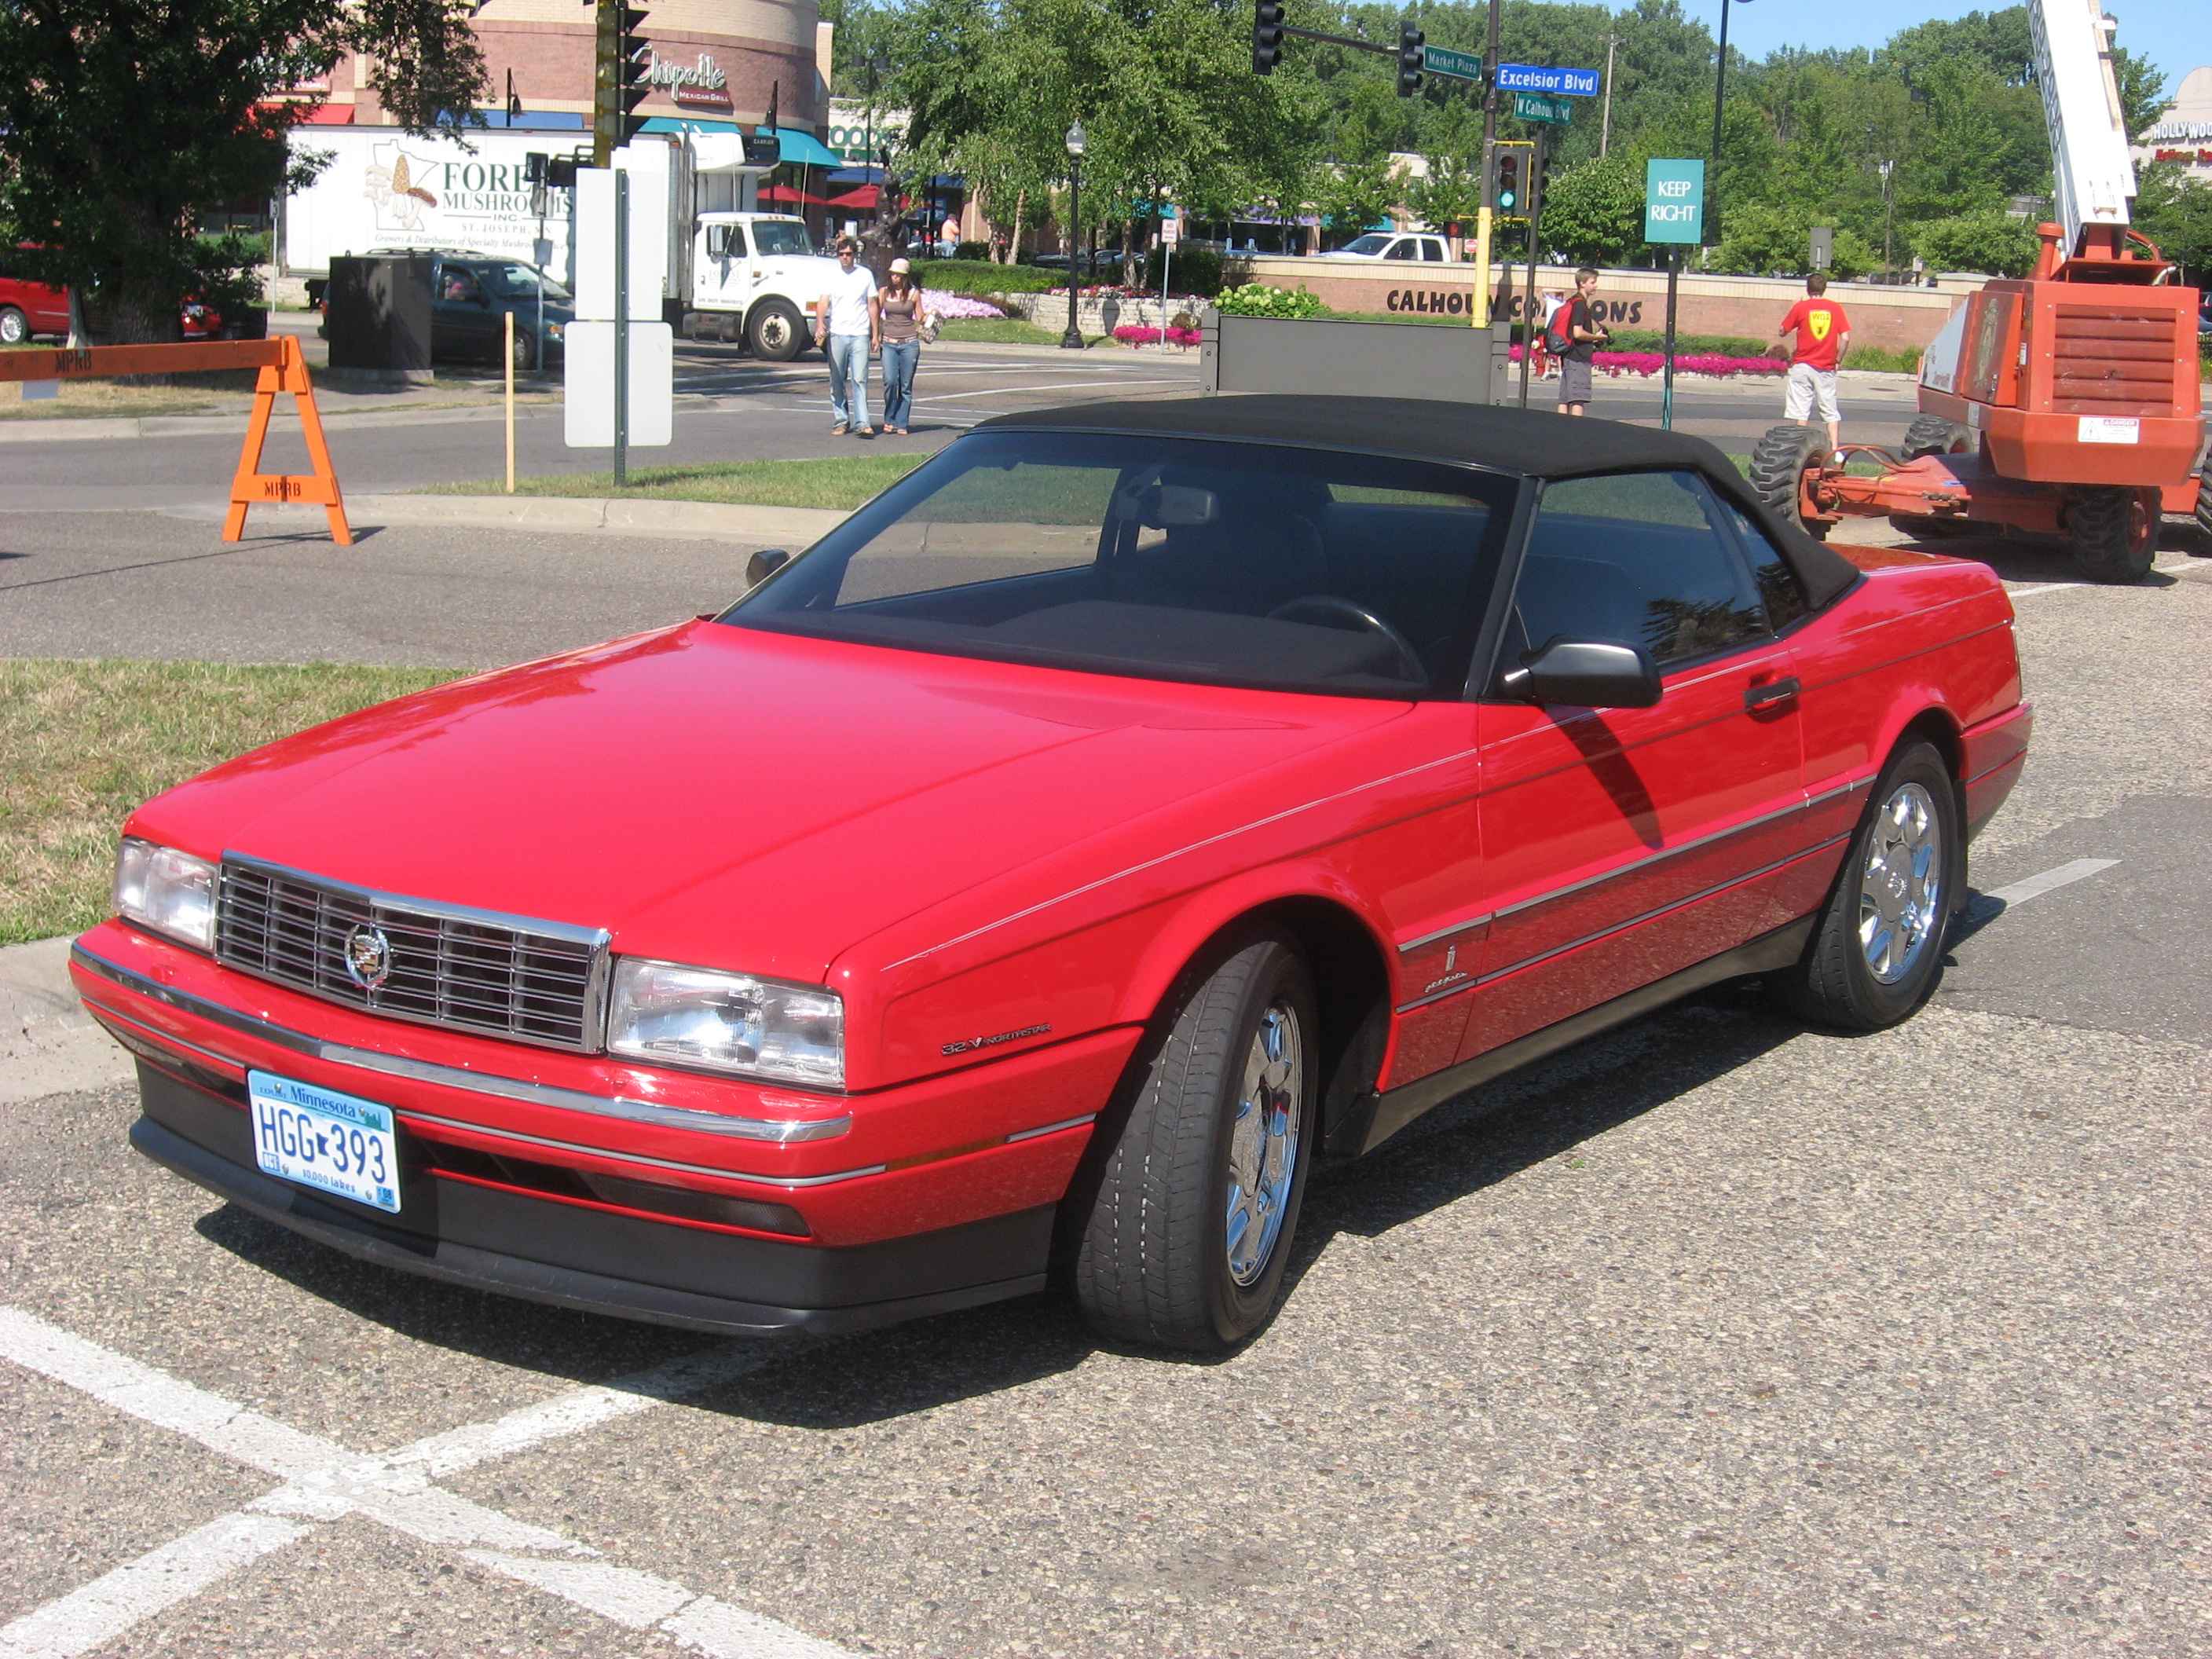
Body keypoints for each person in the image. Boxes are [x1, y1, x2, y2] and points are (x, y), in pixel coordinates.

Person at [811, 236, 880, 438]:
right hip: (838, 334)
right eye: (841, 254)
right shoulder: (831, 275)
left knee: (859, 379)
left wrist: (875, 334)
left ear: (854, 255)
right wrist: (821, 322)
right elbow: (823, 302)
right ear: (837, 255)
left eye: (848, 254)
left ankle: (863, 422)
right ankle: (841, 420)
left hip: (859, 334)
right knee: (837, 379)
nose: (845, 258)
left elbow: (873, 305)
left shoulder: (864, 275)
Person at [1778, 273, 1851, 460]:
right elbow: (1845, 337)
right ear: (1825, 288)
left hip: (1802, 364)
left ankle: (1799, 448)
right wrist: (1838, 359)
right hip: (1826, 366)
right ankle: (1835, 451)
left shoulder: (1801, 307)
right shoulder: (1835, 308)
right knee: (1829, 408)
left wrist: (1794, 307)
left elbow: (1782, 331)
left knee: (1800, 409)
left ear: (1807, 288)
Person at [877, 258, 933, 436]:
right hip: (889, 342)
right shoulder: (884, 292)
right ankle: (889, 418)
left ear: (905, 276)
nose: (895, 277)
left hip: (909, 342)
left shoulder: (913, 294)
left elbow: (920, 316)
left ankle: (902, 422)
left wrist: (931, 317)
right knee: (891, 381)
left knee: (905, 385)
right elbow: (876, 315)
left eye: (899, 275)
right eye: (893, 274)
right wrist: (875, 336)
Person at [1554, 267, 1608, 417]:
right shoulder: (1580, 304)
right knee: (1578, 399)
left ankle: (1561, 431)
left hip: (1568, 356)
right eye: (1593, 282)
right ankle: (1575, 432)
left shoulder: (1572, 301)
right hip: (1578, 357)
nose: (1596, 285)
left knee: (1564, 399)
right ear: (1582, 283)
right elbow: (1577, 333)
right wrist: (1597, 337)